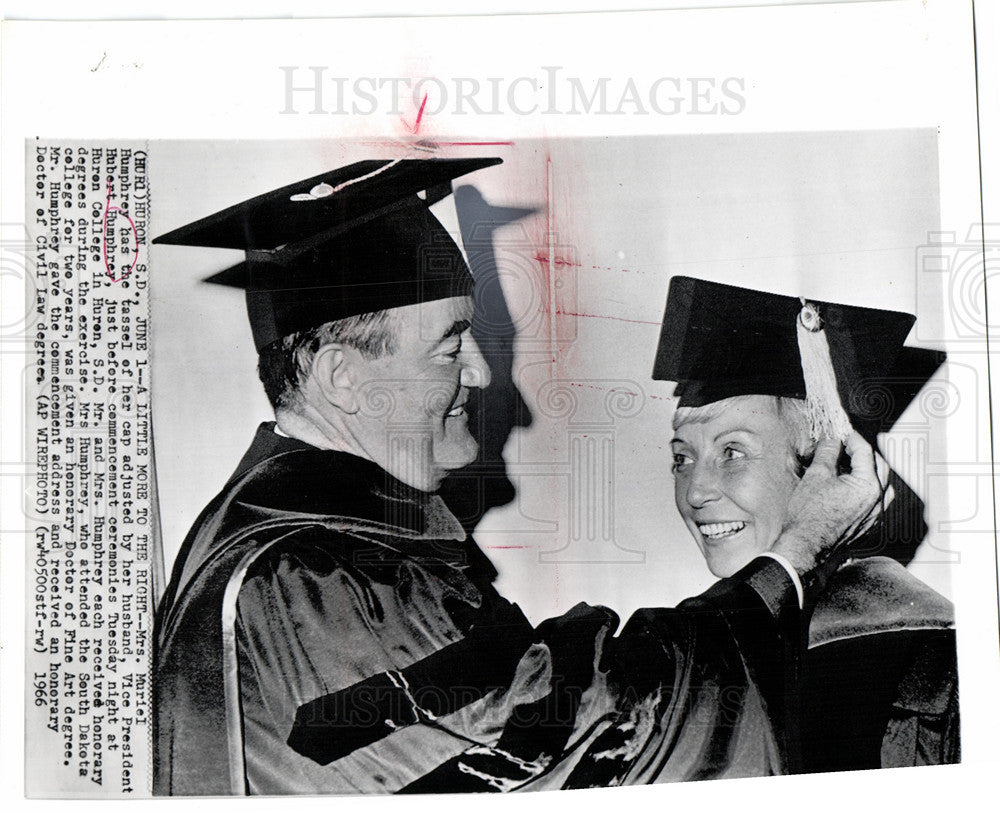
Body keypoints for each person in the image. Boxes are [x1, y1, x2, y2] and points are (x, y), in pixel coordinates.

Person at [152, 159, 886, 795]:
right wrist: (791, 556)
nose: (479, 369)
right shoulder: (315, 578)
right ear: (343, 377)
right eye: (449, 346)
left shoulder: (272, 544)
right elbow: (582, 737)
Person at [652, 276, 960, 773]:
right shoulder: (701, 646)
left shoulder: (934, 672)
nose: (694, 492)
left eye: (731, 452)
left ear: (822, 466)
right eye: (682, 459)